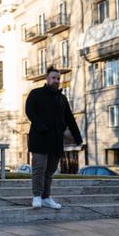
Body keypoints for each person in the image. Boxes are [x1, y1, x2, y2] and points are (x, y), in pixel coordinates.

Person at [25, 66, 82, 209]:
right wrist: (40, 126)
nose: (56, 81)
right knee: (39, 168)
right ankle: (37, 196)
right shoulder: (36, 93)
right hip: (40, 138)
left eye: (58, 78)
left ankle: (46, 197)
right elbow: (29, 110)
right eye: (53, 78)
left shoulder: (62, 98)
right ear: (47, 78)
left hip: (56, 140)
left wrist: (77, 136)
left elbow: (70, 118)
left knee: (50, 171)